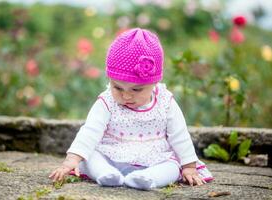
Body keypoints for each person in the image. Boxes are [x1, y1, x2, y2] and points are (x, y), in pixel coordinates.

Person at [49, 28, 213, 190]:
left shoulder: (165, 101)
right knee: (90, 156)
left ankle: (148, 178)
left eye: (136, 90)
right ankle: (105, 173)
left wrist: (189, 166)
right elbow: (90, 130)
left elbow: (179, 134)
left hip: (154, 158)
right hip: (111, 155)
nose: (126, 96)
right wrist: (71, 160)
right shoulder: (107, 101)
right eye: (118, 88)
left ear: (154, 83)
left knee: (172, 167)